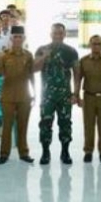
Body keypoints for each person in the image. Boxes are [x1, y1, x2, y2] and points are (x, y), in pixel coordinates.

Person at [35, 23, 79, 165]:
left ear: (64, 34)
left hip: (65, 95)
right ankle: (45, 152)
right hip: (47, 95)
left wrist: (76, 93)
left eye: (60, 33)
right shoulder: (42, 49)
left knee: (65, 123)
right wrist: (44, 57)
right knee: (45, 123)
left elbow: (77, 74)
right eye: (55, 33)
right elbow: (34, 69)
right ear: (50, 34)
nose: (58, 36)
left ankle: (65, 151)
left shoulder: (71, 51)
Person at [0, 26, 35, 164]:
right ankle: (4, 154)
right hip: (7, 96)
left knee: (23, 125)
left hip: (24, 95)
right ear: (11, 38)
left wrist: (34, 93)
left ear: (24, 39)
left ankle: (24, 153)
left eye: (20, 37)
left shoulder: (28, 55)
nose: (17, 39)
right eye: (15, 37)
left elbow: (31, 76)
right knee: (7, 126)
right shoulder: (4, 55)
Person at [74, 35, 101, 163]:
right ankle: (88, 151)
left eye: (99, 44)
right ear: (90, 45)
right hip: (88, 97)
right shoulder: (84, 61)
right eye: (94, 44)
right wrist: (76, 95)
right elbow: (78, 79)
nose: (96, 46)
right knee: (88, 125)